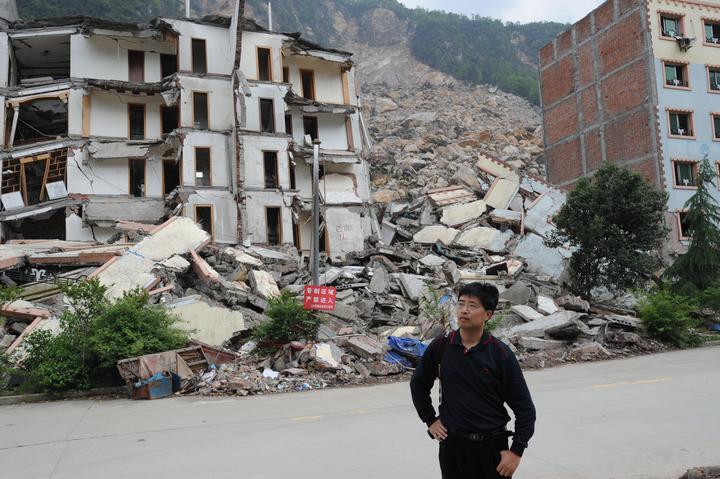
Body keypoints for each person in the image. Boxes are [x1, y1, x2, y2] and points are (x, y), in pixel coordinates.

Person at [410, 282, 536, 478]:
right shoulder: (441, 347)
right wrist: (430, 420)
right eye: (461, 304)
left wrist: (516, 451)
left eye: (473, 305)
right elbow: (418, 384)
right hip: (452, 447)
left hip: (491, 449)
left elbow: (525, 408)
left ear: (488, 314)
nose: (464, 310)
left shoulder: (500, 354)